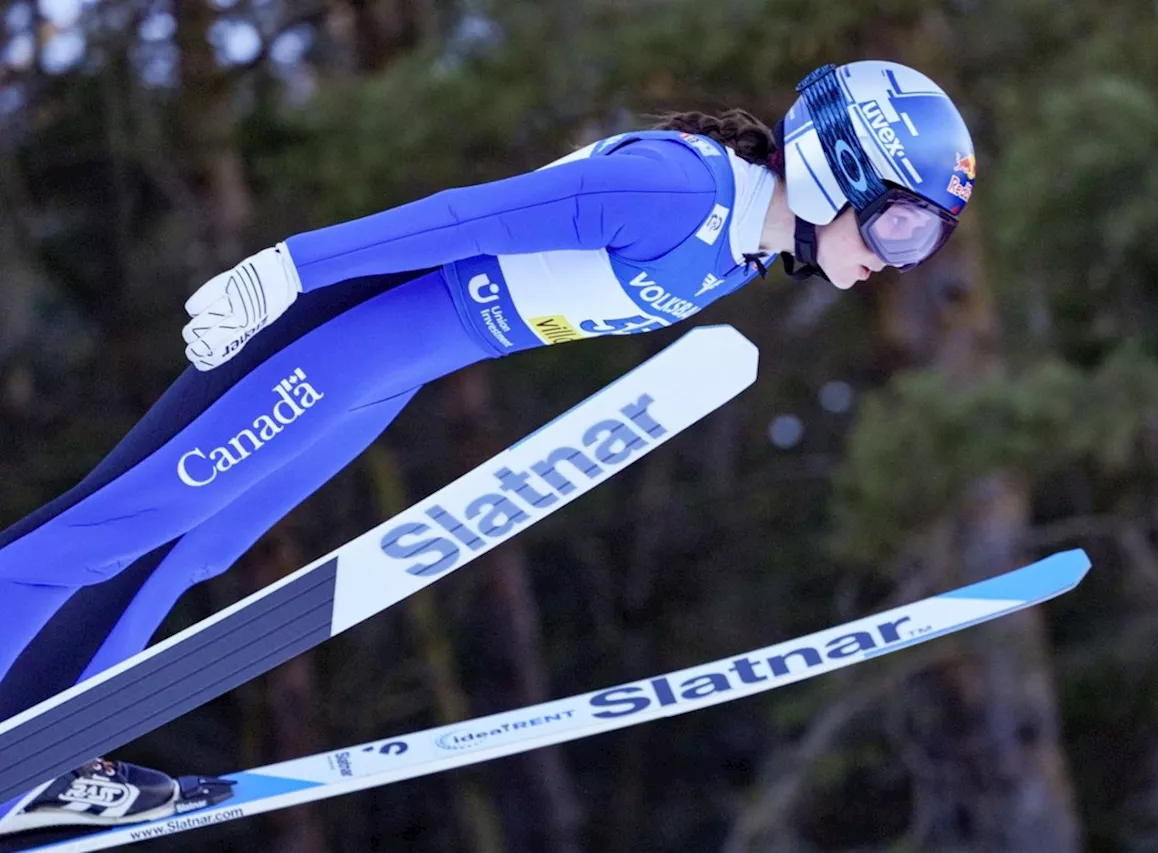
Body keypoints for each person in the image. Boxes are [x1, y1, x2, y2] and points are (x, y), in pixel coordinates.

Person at [0, 60, 976, 835]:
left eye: (918, 246)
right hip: (330, 334)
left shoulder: (741, 251)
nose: (892, 261)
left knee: (189, 548)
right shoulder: (677, 192)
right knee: (119, 524)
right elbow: (468, 218)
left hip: (382, 376)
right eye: (897, 227)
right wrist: (286, 271)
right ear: (832, 164)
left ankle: (43, 753)